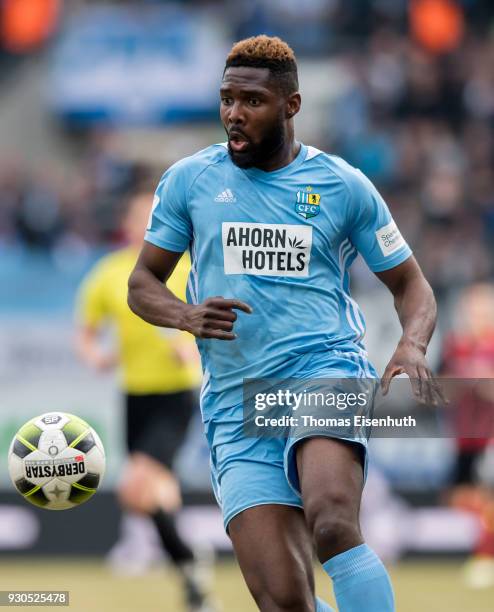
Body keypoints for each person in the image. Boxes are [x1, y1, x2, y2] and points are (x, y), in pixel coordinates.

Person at [128, 36, 443, 612]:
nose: (233, 115)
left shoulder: (343, 186)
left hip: (322, 369)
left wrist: (413, 343)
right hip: (235, 401)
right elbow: (142, 283)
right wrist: (186, 314)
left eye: (251, 101)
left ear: (291, 106)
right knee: (283, 600)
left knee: (331, 523)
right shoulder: (189, 181)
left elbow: (412, 285)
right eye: (226, 100)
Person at [75, 190, 213, 612]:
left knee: (138, 481)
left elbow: (213, 323)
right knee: (147, 493)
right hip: (133, 394)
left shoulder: (190, 267)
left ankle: (189, 563)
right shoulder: (110, 272)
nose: (146, 224)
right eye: (140, 217)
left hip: (175, 392)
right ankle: (192, 570)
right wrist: (97, 355)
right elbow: (85, 331)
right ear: (129, 223)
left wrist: (190, 348)